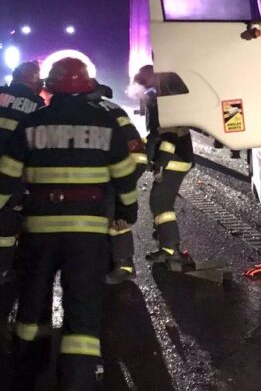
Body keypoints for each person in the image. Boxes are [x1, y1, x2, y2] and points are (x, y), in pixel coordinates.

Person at [0, 57, 138, 390]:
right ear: (87, 88)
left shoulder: (33, 124)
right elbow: (125, 176)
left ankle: (25, 376)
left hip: (39, 233)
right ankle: (77, 382)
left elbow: (5, 178)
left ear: (49, 88)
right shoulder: (105, 125)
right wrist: (127, 213)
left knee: (32, 310)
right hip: (87, 238)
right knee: (82, 314)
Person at [133, 65, 194, 270]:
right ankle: (166, 245)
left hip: (175, 158)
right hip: (174, 158)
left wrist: (162, 160)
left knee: (160, 201)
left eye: (143, 82)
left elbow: (169, 134)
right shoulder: (160, 96)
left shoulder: (163, 100)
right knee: (159, 202)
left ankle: (171, 250)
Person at [87, 79, 147, 284]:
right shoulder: (111, 107)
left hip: (118, 169)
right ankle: (115, 263)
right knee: (114, 214)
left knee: (115, 217)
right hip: (125, 166)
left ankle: (123, 266)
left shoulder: (96, 111)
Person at [0, 62, 45, 285]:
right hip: (12, 174)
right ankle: (3, 270)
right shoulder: (37, 106)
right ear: (33, 80)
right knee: (6, 223)